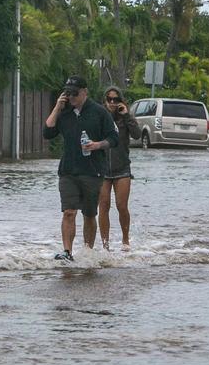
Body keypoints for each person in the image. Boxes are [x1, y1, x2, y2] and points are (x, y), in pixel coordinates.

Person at [43, 75, 119, 261]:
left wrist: (97, 145)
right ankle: (67, 252)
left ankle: (87, 251)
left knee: (89, 214)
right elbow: (47, 132)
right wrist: (57, 107)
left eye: (75, 93)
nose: (71, 97)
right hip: (68, 171)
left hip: (92, 172)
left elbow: (114, 138)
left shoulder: (99, 112)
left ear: (85, 92)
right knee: (69, 211)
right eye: (68, 93)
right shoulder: (64, 112)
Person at [98, 85, 141, 250]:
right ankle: (105, 245)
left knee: (121, 205)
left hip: (122, 168)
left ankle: (125, 240)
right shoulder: (100, 117)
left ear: (120, 101)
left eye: (115, 99)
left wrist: (127, 115)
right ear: (105, 101)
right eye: (109, 99)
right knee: (104, 204)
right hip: (102, 168)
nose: (112, 102)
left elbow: (137, 135)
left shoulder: (125, 118)